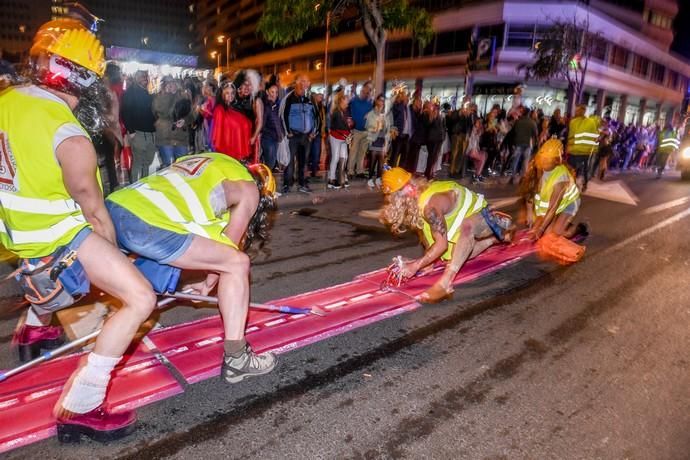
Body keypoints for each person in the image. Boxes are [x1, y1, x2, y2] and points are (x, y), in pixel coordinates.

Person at [1, 18, 160, 442]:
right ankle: (82, 404)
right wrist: (116, 272)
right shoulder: (69, 135)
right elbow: (94, 213)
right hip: (56, 237)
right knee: (140, 297)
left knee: (60, 275)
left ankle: (36, 326)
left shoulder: (6, 100)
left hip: (16, 236)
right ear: (85, 79)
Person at [106, 153, 278, 384]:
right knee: (237, 263)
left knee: (150, 268)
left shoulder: (211, 161)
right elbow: (227, 244)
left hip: (115, 207)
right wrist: (207, 284)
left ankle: (115, 316)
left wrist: (197, 279)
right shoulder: (249, 189)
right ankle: (238, 358)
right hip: (147, 224)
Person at [380, 168, 514, 303]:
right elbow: (427, 232)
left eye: (394, 197)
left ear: (409, 189)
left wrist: (415, 265)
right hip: (460, 220)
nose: (393, 202)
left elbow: (441, 245)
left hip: (482, 214)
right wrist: (427, 262)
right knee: (456, 254)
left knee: (467, 227)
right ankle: (494, 238)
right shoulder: (420, 204)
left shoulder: (431, 207)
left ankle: (445, 284)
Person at [519, 139, 581, 240]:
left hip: (569, 202)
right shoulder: (536, 168)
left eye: (548, 159)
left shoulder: (561, 178)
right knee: (542, 230)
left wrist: (540, 230)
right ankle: (558, 223)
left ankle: (577, 228)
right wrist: (530, 213)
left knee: (555, 233)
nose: (544, 161)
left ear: (557, 160)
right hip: (548, 206)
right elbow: (530, 191)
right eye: (543, 158)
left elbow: (552, 208)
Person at [279, 74, 320, 193]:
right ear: (296, 83)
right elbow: (282, 115)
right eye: (302, 81)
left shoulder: (310, 98)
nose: (304, 84)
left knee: (304, 162)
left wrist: (314, 132)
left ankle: (302, 184)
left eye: (306, 81)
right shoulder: (289, 98)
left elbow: (316, 117)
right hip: (293, 136)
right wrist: (288, 132)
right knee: (289, 162)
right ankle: (287, 184)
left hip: (307, 136)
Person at [122, 69, 157, 181]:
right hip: (138, 133)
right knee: (138, 161)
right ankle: (135, 186)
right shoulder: (130, 92)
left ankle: (144, 183)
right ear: (136, 78)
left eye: (145, 76)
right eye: (142, 76)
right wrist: (131, 130)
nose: (144, 79)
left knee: (147, 161)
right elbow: (125, 112)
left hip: (151, 132)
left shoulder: (146, 92)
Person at [153, 76, 193, 167]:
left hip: (181, 138)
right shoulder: (158, 97)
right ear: (163, 85)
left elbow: (192, 115)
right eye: (168, 83)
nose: (171, 85)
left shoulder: (183, 96)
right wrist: (168, 95)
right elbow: (163, 112)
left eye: (172, 82)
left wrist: (185, 120)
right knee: (167, 167)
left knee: (182, 167)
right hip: (165, 138)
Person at [211, 79, 252, 161]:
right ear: (221, 94)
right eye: (227, 93)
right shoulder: (220, 110)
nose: (230, 95)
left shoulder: (232, 108)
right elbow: (218, 136)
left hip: (234, 152)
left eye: (232, 93)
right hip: (227, 154)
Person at [566, 104, 600, 191]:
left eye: (577, 110)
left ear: (583, 111)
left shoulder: (575, 122)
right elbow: (595, 137)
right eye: (576, 110)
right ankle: (579, 184)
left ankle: (578, 184)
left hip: (580, 151)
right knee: (580, 169)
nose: (576, 112)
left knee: (577, 169)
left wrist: (569, 146)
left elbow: (571, 136)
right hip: (582, 151)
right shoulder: (588, 122)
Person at [327, 90, 352, 189]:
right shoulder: (336, 112)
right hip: (336, 137)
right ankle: (331, 179)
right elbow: (338, 126)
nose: (347, 103)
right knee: (336, 158)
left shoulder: (344, 111)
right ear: (342, 101)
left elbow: (348, 125)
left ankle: (341, 177)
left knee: (344, 157)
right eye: (346, 101)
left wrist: (350, 127)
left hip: (343, 138)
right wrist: (348, 129)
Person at [347, 82, 373, 178]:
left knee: (362, 152)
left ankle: (359, 171)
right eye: (364, 92)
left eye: (368, 92)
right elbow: (346, 104)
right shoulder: (354, 100)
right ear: (361, 91)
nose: (366, 94)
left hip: (366, 131)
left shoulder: (370, 103)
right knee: (353, 151)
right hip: (356, 130)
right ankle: (350, 171)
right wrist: (353, 89)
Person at [365, 94, 391, 188]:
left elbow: (388, 128)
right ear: (376, 101)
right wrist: (376, 127)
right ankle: (370, 179)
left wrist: (387, 140)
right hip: (374, 140)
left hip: (382, 141)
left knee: (381, 162)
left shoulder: (385, 114)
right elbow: (368, 127)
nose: (382, 102)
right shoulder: (371, 113)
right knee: (372, 161)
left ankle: (379, 178)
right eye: (380, 100)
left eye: (383, 101)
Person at [509, 106, 538, 184]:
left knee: (515, 160)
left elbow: (513, 132)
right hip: (528, 144)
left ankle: (513, 177)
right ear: (529, 114)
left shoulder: (518, 121)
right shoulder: (532, 122)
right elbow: (535, 135)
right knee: (525, 161)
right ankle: (523, 177)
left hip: (518, 143)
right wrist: (536, 145)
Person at [260, 80, 284, 170]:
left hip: (276, 136)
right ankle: (265, 179)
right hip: (267, 137)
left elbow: (280, 120)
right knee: (270, 161)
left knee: (272, 160)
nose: (275, 94)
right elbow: (262, 122)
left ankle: (266, 178)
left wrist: (282, 133)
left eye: (276, 92)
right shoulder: (264, 104)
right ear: (267, 92)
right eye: (272, 92)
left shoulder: (278, 105)